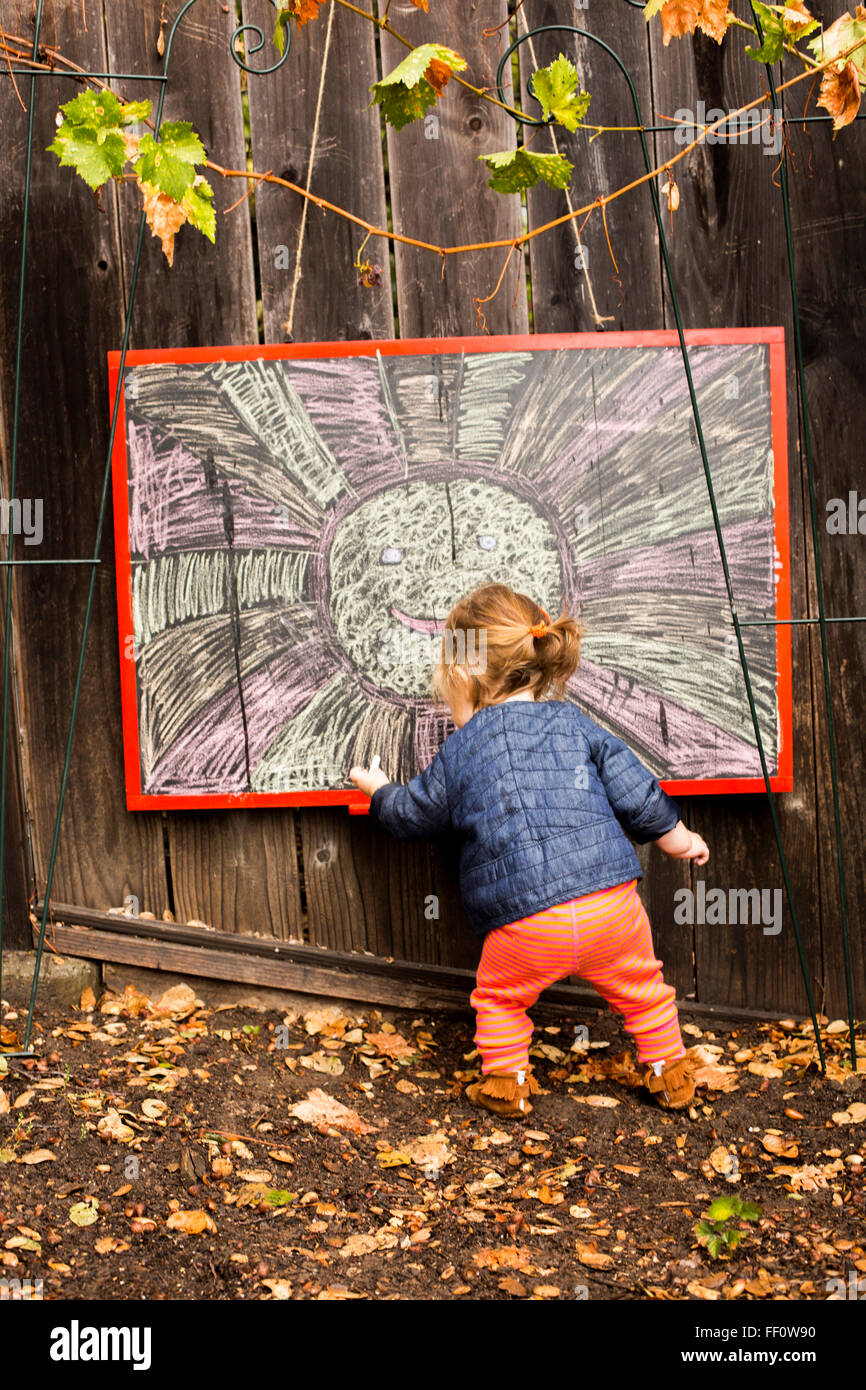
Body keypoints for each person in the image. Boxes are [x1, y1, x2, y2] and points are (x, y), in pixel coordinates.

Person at [350, 583, 709, 1119]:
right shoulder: (575, 723)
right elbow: (636, 792)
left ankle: (507, 1086)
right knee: (644, 989)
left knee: (499, 998)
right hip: (609, 904)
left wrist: (379, 791)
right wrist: (679, 838)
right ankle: (671, 1077)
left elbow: (413, 816)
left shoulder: (463, 748)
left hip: (525, 921)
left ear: (464, 675)